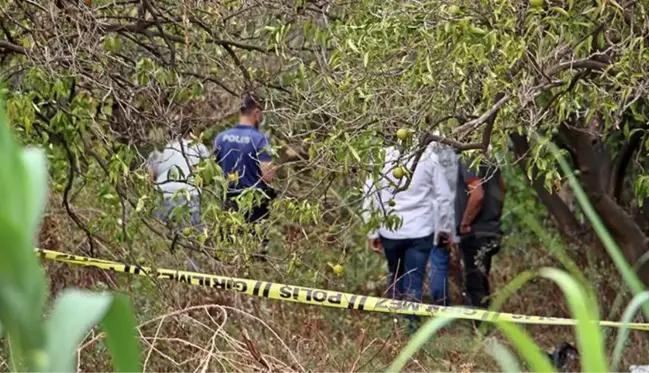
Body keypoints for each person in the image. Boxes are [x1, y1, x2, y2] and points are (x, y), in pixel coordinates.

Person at [362, 138, 454, 333]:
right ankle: (411, 327)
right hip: (421, 230)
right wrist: (444, 228)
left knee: (395, 274)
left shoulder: (379, 157)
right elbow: (443, 195)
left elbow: (369, 194)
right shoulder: (428, 156)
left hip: (390, 231)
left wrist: (372, 231)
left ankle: (396, 324)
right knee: (414, 279)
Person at [213, 93, 278, 260]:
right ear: (256, 113)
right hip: (254, 205)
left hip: (229, 203)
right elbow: (268, 176)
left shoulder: (221, 138)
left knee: (228, 253)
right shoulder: (259, 139)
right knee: (254, 254)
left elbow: (212, 171)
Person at [147, 130, 211, 270]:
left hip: (162, 194)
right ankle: (192, 276)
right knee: (192, 240)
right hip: (188, 195)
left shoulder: (164, 149)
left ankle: (161, 270)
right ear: (192, 133)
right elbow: (207, 174)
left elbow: (150, 175)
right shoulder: (199, 147)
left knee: (162, 237)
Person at [455, 153, 506, 314]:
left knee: (475, 284)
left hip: (475, 232)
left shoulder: (468, 159)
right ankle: (484, 324)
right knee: (481, 280)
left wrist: (465, 222)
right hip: (492, 229)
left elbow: (477, 194)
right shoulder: (490, 159)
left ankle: (480, 329)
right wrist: (495, 213)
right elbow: (503, 188)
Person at [428, 137, 459, 306]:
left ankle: (405, 316)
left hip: (422, 220)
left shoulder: (426, 155)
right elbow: (446, 196)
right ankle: (440, 309)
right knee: (439, 265)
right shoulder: (454, 152)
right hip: (444, 219)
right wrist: (447, 227)